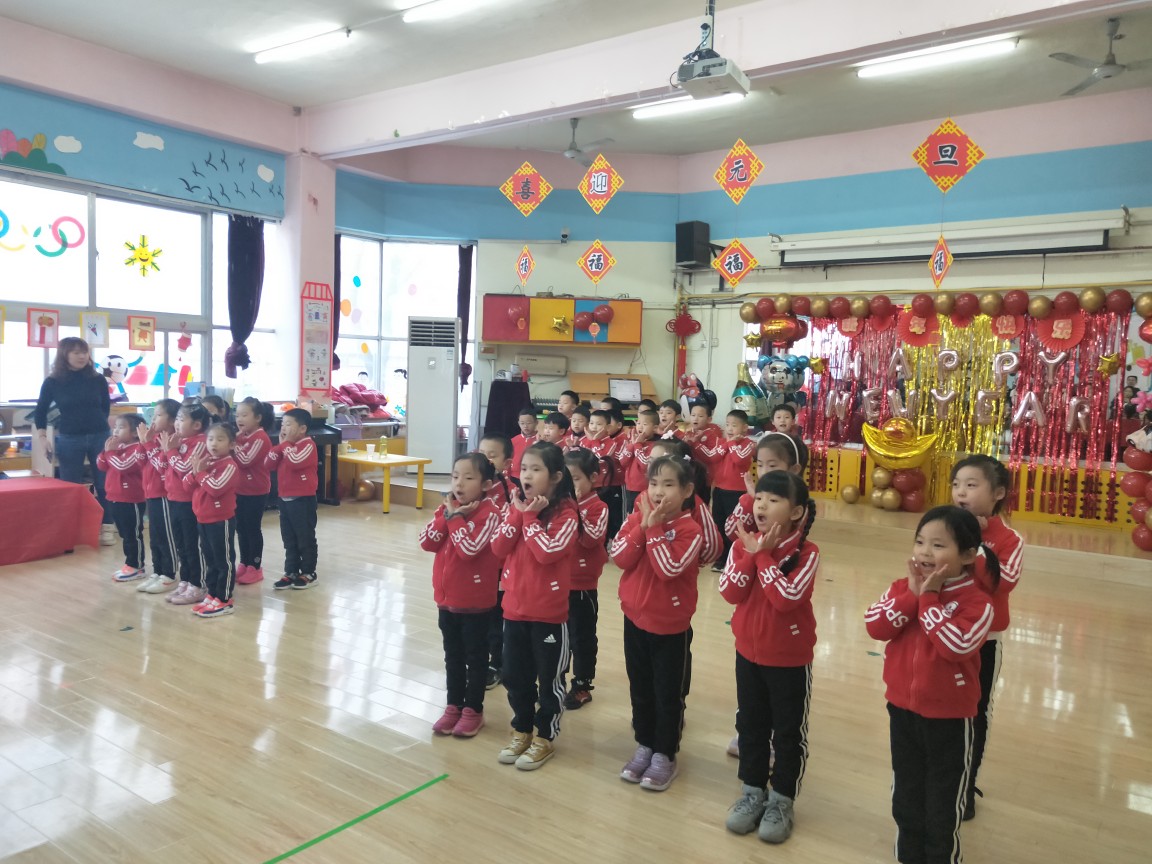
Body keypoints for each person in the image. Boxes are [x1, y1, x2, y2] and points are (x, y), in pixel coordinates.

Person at [865, 505, 997, 864]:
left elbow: (954, 647)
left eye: (938, 545)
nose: (924, 552)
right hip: (902, 711)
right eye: (920, 541)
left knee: (943, 805)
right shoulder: (902, 587)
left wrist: (927, 598)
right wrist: (911, 595)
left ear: (967, 555)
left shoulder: (978, 603)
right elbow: (875, 626)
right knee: (906, 796)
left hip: (949, 720)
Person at [720, 471, 819, 844]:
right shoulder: (743, 545)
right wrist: (751, 554)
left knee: (788, 734)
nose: (761, 505)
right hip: (748, 654)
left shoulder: (807, 553)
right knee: (751, 726)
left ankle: (781, 801)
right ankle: (752, 792)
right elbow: (730, 592)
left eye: (773, 500)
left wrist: (761, 557)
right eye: (759, 497)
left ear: (796, 512)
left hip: (789, 660)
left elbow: (785, 598)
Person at [611, 456, 705, 792]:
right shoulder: (637, 516)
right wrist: (642, 526)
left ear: (687, 490)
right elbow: (619, 556)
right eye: (653, 484)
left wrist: (653, 529)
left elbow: (668, 569)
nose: (658, 492)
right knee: (640, 687)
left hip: (669, 626)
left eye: (668, 485)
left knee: (667, 693)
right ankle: (644, 744)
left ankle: (665, 753)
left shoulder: (690, 530)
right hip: (634, 618)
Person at [489, 442, 579, 771]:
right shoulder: (516, 507)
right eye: (524, 468)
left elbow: (547, 552)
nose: (526, 475)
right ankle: (522, 730)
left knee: (549, 681)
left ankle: (544, 736)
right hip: (514, 609)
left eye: (536, 469)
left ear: (555, 477)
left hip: (548, 615)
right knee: (515, 677)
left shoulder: (567, 514)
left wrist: (527, 518)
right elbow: (498, 547)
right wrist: (518, 513)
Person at [950, 454, 1023, 820]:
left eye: (971, 485)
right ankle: (943, 779)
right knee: (942, 708)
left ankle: (967, 784)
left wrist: (975, 543)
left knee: (976, 712)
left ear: (998, 493)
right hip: (946, 635)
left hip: (985, 642)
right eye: (956, 485)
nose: (961, 492)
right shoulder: (946, 527)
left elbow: (1002, 582)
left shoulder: (1009, 539)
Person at [419, 453, 504, 738]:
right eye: (455, 476)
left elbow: (469, 549)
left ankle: (473, 710)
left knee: (476, 659)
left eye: (468, 478)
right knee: (452, 657)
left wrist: (455, 520)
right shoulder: (447, 508)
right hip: (447, 600)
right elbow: (426, 542)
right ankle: (453, 706)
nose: (459, 483)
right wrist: (446, 518)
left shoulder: (491, 514)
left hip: (476, 603)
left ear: (486, 485)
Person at [33, 337, 115, 545]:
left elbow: (105, 408)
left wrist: (99, 426)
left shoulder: (97, 379)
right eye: (76, 352)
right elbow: (40, 412)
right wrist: (42, 438)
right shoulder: (53, 381)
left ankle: (107, 527)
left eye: (84, 352)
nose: (82, 356)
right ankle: (72, 530)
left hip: (99, 435)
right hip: (70, 438)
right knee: (71, 486)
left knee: (104, 484)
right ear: (64, 355)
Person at [563, 448, 608, 710]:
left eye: (576, 478)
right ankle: (557, 678)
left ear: (593, 478)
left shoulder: (598, 507)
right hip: (557, 582)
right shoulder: (560, 504)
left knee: (582, 638)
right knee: (560, 636)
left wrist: (574, 509)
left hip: (582, 586)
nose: (571, 485)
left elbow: (591, 539)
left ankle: (582, 684)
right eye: (566, 479)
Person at [183, 422, 240, 618]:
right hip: (203, 517)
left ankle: (224, 599)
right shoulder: (205, 462)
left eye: (220, 439)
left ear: (231, 445)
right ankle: (213, 593)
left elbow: (215, 488)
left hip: (220, 519)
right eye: (210, 439)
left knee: (223, 560)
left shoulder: (230, 465)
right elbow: (186, 485)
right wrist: (195, 472)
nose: (214, 443)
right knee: (210, 559)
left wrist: (200, 473)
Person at [477, 432, 516, 689]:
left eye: (492, 456)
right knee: (479, 616)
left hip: (501, 567)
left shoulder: (513, 491)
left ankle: (498, 662)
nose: (486, 460)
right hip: (476, 566)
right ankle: (481, 659)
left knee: (498, 617)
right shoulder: (472, 486)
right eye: (482, 454)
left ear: (507, 462)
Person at [161, 403, 210, 606]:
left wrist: (170, 451)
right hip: (173, 498)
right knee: (181, 544)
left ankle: (198, 584)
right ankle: (186, 580)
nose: (177, 423)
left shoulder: (200, 442)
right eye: (177, 419)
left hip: (189, 501)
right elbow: (165, 467)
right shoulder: (179, 441)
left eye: (182, 419)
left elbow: (183, 468)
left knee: (192, 545)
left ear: (197, 425)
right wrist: (168, 450)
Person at [646, 438, 722, 568]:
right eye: (650, 461)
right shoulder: (643, 498)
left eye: (660, 461)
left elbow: (713, 546)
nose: (653, 467)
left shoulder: (695, 503)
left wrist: (690, 559)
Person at [266, 409, 319, 590]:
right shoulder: (285, 446)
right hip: (284, 499)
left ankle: (309, 573)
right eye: (282, 424)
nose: (283, 428)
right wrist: (279, 447)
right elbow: (268, 464)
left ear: (302, 429)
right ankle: (291, 571)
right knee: (289, 538)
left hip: (303, 499)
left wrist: (285, 446)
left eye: (288, 424)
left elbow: (295, 461)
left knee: (305, 538)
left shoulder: (307, 445)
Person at [699, 410, 755, 572]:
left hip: (737, 492)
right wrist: (727, 443)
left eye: (734, 425)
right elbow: (712, 457)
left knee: (734, 528)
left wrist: (731, 443)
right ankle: (721, 558)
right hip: (719, 490)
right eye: (728, 424)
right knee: (719, 524)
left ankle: (733, 558)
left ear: (744, 428)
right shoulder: (723, 442)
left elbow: (739, 459)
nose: (730, 429)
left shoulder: (749, 444)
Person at [726, 433, 809, 539]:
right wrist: (751, 499)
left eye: (772, 465)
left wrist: (756, 499)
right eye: (760, 465)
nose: (763, 472)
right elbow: (732, 532)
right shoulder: (753, 495)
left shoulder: (796, 501)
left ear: (794, 469)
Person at [96, 413, 148, 582]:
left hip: (131, 499)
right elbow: (101, 465)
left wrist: (110, 453)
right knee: (125, 534)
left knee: (132, 534)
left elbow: (122, 466)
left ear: (134, 432)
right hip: (114, 496)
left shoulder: (138, 448)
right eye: (115, 427)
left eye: (121, 427)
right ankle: (130, 564)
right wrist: (106, 451)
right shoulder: (116, 448)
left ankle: (137, 566)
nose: (116, 430)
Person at [137, 400, 181, 594]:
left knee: (166, 536)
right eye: (153, 415)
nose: (153, 419)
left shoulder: (172, 441)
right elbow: (140, 462)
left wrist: (148, 444)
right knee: (154, 536)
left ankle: (169, 575)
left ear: (172, 420)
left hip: (164, 494)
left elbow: (161, 466)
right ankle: (158, 570)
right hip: (150, 492)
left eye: (158, 415)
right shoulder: (153, 438)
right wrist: (143, 443)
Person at [233, 398, 274, 585]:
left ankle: (255, 567)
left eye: (244, 415)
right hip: (239, 490)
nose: (239, 419)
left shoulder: (260, 437)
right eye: (237, 415)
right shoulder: (241, 436)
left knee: (252, 528)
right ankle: (244, 563)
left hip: (256, 491)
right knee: (241, 528)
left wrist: (233, 443)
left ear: (258, 418)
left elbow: (245, 460)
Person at [617, 409, 658, 514]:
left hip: (645, 488)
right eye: (638, 423)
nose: (640, 427)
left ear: (655, 428)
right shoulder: (632, 442)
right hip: (629, 487)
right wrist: (632, 445)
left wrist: (638, 445)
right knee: (630, 515)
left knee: (644, 514)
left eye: (645, 424)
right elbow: (622, 461)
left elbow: (645, 465)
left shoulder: (655, 445)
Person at [685, 402, 724, 502]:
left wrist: (695, 443)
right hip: (689, 475)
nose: (695, 418)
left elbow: (711, 457)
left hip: (705, 478)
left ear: (709, 419)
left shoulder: (711, 435)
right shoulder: (688, 433)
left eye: (700, 416)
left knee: (701, 501)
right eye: (693, 415)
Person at [509, 406, 538, 482]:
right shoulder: (513, 440)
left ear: (536, 423)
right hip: (514, 476)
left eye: (529, 423)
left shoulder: (540, 441)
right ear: (518, 423)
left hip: (532, 477)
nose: (525, 426)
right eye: (522, 423)